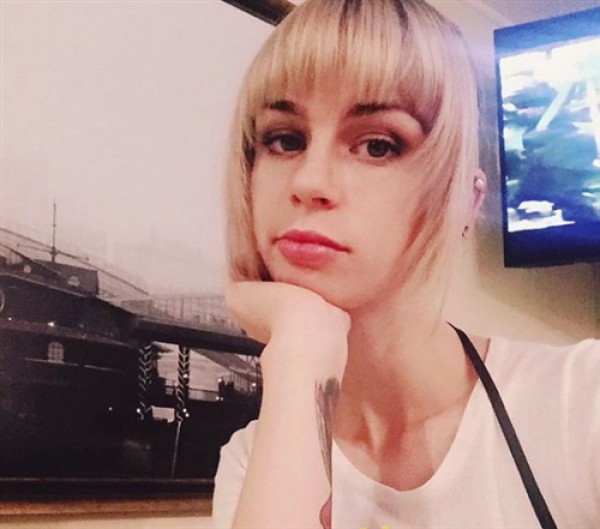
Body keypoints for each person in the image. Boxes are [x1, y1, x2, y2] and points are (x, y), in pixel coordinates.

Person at [212, 1, 600, 528]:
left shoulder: (582, 403)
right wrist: (301, 346)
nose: (309, 181)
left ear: (464, 201)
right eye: (285, 140)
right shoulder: (254, 458)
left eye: (377, 145)